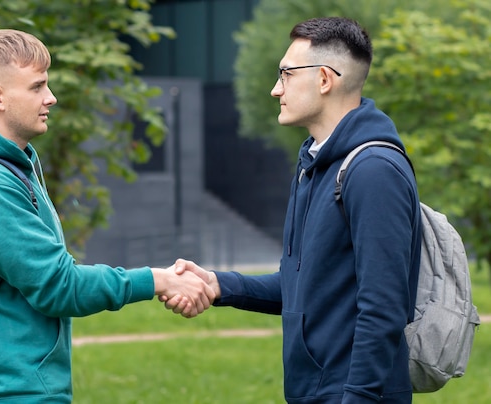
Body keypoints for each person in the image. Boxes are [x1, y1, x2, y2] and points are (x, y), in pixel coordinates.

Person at [0, 29, 214, 404]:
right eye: (37, 86)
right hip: (12, 392)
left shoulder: (4, 167)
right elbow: (57, 287)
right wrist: (158, 280)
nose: (51, 97)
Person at [166, 17, 422, 403]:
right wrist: (220, 285)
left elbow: (384, 309)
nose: (275, 89)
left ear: (324, 79)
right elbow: (302, 287)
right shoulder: (313, 168)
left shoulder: (373, 171)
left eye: (285, 74)